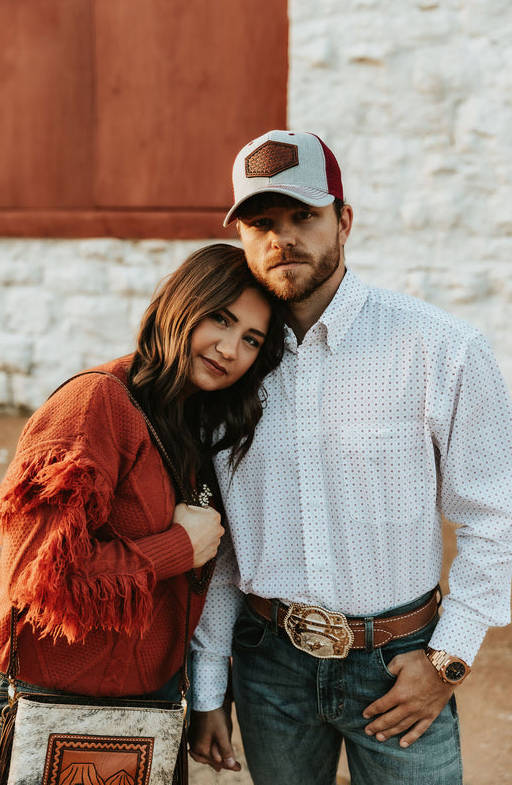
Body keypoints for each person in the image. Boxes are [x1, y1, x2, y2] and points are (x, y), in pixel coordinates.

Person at [188, 131, 512, 784]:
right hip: (267, 664)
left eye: (302, 216)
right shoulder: (227, 367)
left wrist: (447, 659)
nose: (282, 238)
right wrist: (206, 686)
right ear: (243, 239)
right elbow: (223, 550)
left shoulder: (440, 349)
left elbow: (495, 516)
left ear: (344, 220)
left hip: (398, 665)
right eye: (261, 224)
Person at [0, 242, 285, 762]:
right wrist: (177, 547)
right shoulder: (95, 404)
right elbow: (43, 578)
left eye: (251, 339)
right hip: (59, 696)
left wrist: (202, 695)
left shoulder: (196, 421)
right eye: (220, 319)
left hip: (153, 698)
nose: (230, 349)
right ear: (180, 306)